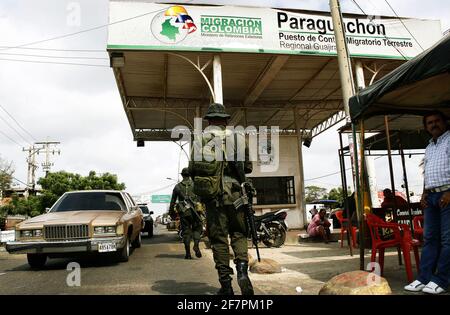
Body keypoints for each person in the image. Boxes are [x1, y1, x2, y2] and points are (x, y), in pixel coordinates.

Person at [189, 102, 254, 295]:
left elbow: (193, 170)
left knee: (218, 240)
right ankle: (242, 272)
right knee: (239, 234)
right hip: (236, 194)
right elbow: (248, 168)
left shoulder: (200, 139)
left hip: (213, 196)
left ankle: (226, 286)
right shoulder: (239, 138)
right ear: (225, 120)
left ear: (209, 120)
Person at [405, 110, 450, 294]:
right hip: (431, 196)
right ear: (426, 127)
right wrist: (424, 193)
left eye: (437, 121)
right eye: (429, 123)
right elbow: (428, 171)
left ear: (445, 122)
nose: (433, 125)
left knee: (448, 240)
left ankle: (441, 279)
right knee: (430, 238)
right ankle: (424, 278)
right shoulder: (430, 146)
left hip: (447, 194)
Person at [168, 168, 203, 259]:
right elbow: (201, 198)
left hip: (184, 213)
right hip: (195, 213)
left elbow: (172, 201)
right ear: (190, 175)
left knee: (186, 232)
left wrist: (171, 212)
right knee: (197, 229)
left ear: (182, 175)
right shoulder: (195, 185)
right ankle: (196, 245)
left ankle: (188, 254)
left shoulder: (177, 187)